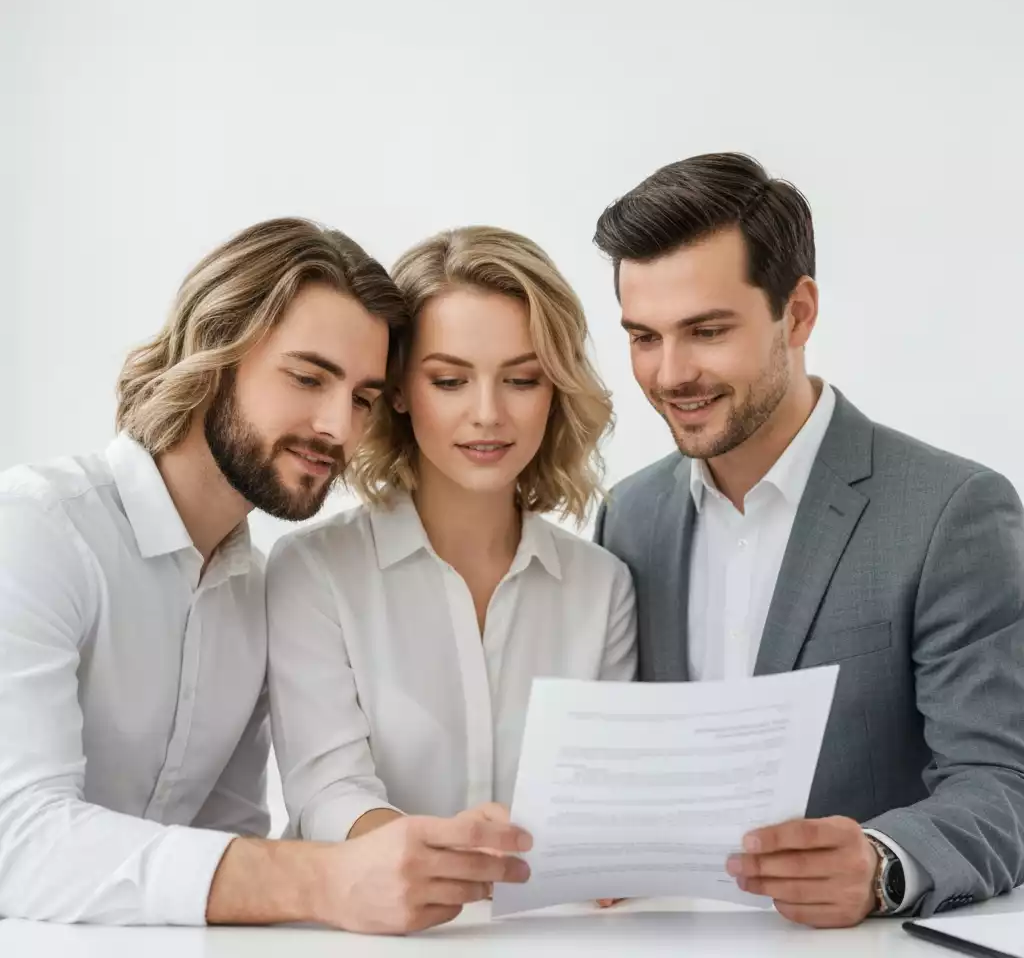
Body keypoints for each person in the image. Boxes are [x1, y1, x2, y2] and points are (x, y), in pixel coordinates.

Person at [0, 218, 531, 933]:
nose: (338, 427)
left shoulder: (254, 588)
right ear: (215, 350)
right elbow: (17, 842)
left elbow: (225, 842)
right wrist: (326, 877)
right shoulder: (35, 529)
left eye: (363, 398)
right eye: (308, 377)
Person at [591, 153, 1024, 927]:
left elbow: (1004, 780)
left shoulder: (952, 511)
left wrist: (882, 862)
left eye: (707, 331)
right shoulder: (630, 516)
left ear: (798, 314)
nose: (670, 372)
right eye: (643, 337)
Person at [266, 225, 636, 846]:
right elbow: (327, 794)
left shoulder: (602, 587)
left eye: (521, 379)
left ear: (556, 392)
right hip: (371, 937)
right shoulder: (314, 570)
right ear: (401, 390)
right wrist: (443, 853)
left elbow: (605, 800)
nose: (488, 413)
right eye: (449, 380)